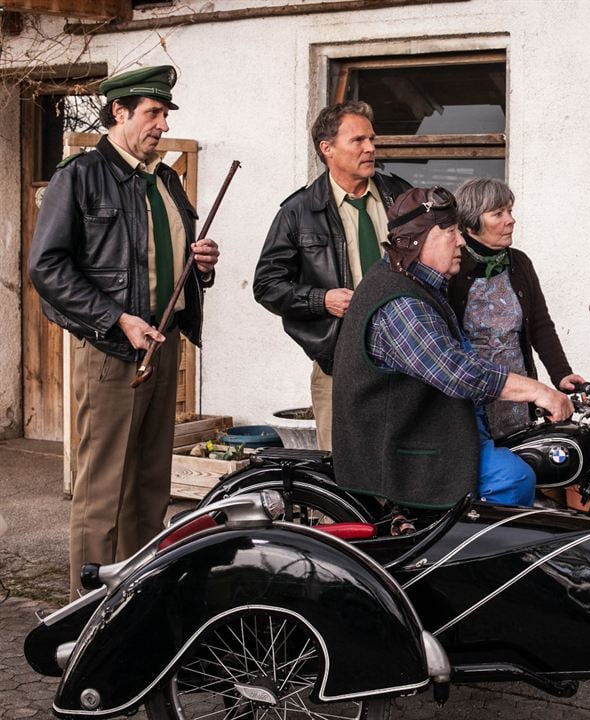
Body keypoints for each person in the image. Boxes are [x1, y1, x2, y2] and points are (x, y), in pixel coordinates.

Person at [28, 65, 221, 597]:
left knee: (149, 485)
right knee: (103, 490)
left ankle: (137, 600)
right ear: (119, 112)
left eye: (164, 114)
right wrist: (115, 317)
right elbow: (47, 267)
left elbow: (166, 259)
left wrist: (200, 264)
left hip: (164, 343)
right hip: (112, 350)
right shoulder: (81, 176)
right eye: (153, 113)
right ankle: (86, 612)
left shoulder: (166, 179)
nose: (161, 124)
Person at [332, 187, 573, 511]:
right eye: (450, 232)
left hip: (437, 425)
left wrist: (559, 376)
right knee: (513, 478)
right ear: (420, 240)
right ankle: (479, 559)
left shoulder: (419, 282)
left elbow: (538, 325)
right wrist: (537, 391)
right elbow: (456, 371)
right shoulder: (401, 302)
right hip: (404, 448)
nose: (460, 241)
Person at [253, 101, 411, 450]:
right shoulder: (298, 212)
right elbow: (266, 285)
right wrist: (320, 299)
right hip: (338, 362)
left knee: (403, 464)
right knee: (343, 468)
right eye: (358, 140)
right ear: (327, 149)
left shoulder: (401, 197)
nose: (370, 148)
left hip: (407, 358)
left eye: (372, 139)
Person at [448, 177, 584, 439]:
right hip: (472, 390)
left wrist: (562, 374)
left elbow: (541, 325)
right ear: (471, 223)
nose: (510, 220)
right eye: (498, 213)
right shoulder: (452, 266)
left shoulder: (520, 263)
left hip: (518, 389)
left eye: (509, 211)